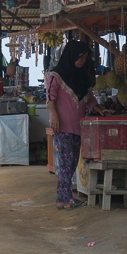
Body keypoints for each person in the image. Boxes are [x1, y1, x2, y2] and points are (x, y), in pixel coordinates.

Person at [46, 40, 97, 210]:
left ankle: (64, 199)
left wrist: (100, 109)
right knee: (66, 164)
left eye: (85, 58)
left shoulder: (81, 76)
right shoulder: (56, 75)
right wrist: (54, 115)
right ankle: (64, 200)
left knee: (72, 163)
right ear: (72, 56)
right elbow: (50, 97)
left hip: (78, 127)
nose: (83, 61)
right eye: (81, 58)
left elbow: (89, 99)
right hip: (62, 126)